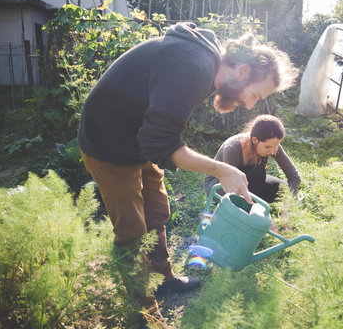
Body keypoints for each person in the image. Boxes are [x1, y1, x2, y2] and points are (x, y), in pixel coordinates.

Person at [77, 22, 298, 326]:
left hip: (139, 141)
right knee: (132, 232)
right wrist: (222, 168)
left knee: (157, 211)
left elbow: (160, 133)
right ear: (243, 72)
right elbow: (164, 143)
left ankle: (163, 281)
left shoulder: (205, 67)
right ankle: (143, 313)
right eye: (255, 96)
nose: (249, 105)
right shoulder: (192, 66)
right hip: (108, 145)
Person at [204, 115, 300, 204]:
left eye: (275, 147)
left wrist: (288, 204)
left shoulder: (272, 145)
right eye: (267, 147)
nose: (272, 152)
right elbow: (230, 185)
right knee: (258, 173)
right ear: (255, 140)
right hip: (219, 186)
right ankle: (248, 209)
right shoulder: (233, 148)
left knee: (282, 190)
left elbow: (294, 177)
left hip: (249, 181)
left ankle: (253, 201)